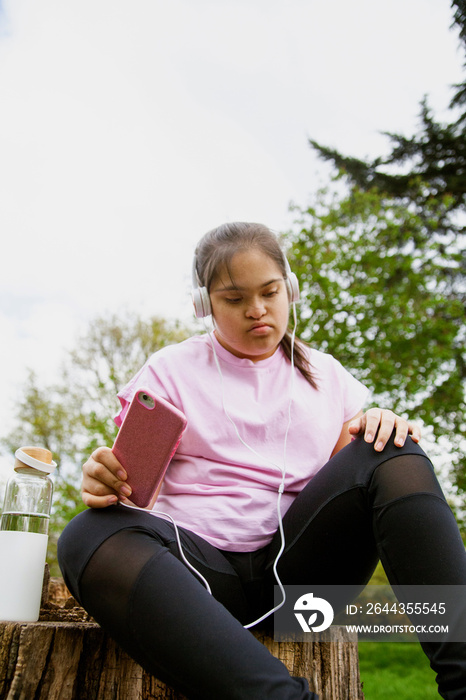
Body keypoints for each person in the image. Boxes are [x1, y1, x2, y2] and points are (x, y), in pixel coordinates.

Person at [58, 222, 466, 700]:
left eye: (270, 292)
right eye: (234, 299)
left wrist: (381, 425)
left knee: (392, 449)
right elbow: (122, 482)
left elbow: (353, 484)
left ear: (289, 290)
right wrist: (102, 479)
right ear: (204, 305)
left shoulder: (328, 377)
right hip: (197, 592)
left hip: (304, 595)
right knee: (86, 532)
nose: (258, 311)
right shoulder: (169, 371)